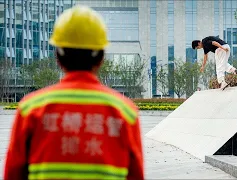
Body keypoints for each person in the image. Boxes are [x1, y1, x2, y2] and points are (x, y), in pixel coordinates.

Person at [4, 5, 144, 180]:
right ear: (100, 57)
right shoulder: (126, 113)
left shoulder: (30, 109)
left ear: (58, 56)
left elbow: (13, 174)